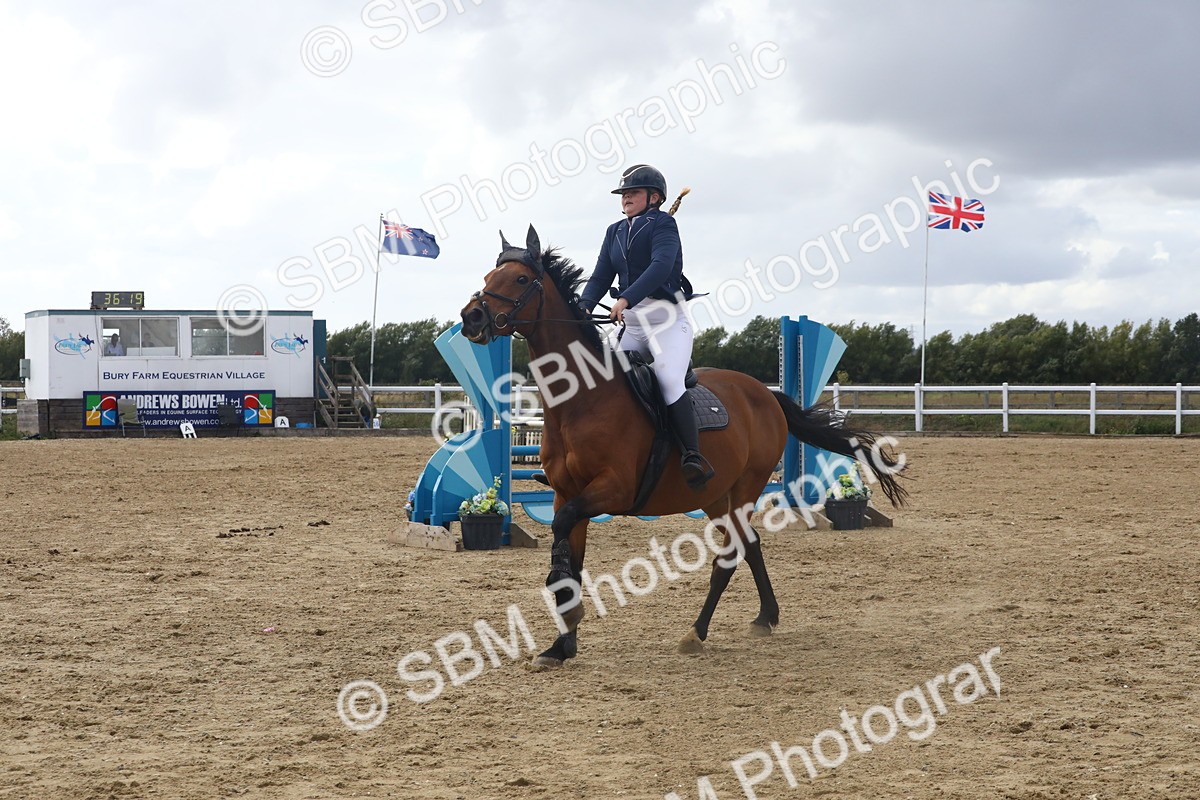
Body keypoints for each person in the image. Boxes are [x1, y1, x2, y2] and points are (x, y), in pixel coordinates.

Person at [578, 164, 714, 489]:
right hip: (634, 324)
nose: (625, 198)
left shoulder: (664, 224)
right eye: (623, 193)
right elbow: (599, 276)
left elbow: (660, 266)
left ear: (654, 197)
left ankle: (692, 455)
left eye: (633, 192)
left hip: (667, 320)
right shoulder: (614, 231)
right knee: (604, 380)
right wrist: (583, 306)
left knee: (667, 378)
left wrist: (624, 298)